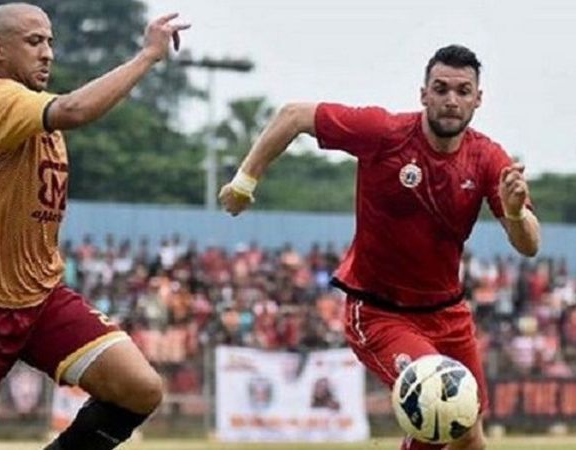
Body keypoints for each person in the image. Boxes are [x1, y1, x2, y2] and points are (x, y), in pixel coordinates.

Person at [220, 45, 541, 450]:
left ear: (478, 99)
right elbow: (294, 116)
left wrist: (514, 212)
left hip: (448, 312)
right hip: (378, 312)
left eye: (463, 91)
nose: (451, 100)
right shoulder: (384, 133)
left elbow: (529, 244)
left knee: (467, 431)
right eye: (441, 89)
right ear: (423, 93)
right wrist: (244, 183)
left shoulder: (488, 159)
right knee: (437, 406)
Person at [0, 3, 189, 449]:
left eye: (50, 42)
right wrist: (147, 56)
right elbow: (76, 110)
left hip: (40, 299)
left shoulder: (29, 112)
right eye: (35, 41)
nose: (48, 54)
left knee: (140, 388)